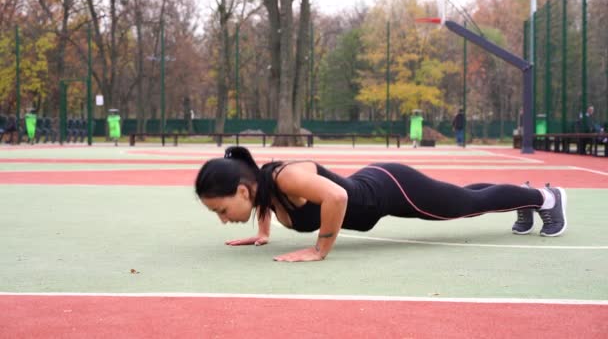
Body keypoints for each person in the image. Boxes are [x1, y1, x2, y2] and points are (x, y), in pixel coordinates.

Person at [195, 146, 568, 262]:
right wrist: (261, 234)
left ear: (242, 191)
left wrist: (319, 249)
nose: (223, 219)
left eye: (221, 210)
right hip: (378, 189)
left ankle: (546, 198)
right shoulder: (263, 189)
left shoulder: (284, 177)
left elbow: (337, 196)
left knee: (467, 203)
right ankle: (526, 196)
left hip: (390, 188)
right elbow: (268, 206)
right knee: (464, 195)